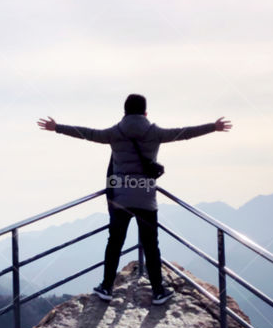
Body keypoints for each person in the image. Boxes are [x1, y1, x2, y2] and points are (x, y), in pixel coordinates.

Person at [37, 94, 232, 305]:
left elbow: (87, 133)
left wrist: (57, 127)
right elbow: (184, 133)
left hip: (120, 199)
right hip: (146, 199)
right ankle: (158, 291)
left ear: (124, 112)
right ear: (146, 113)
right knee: (151, 246)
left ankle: (106, 287)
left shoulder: (114, 133)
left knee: (114, 244)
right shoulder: (155, 133)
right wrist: (214, 126)